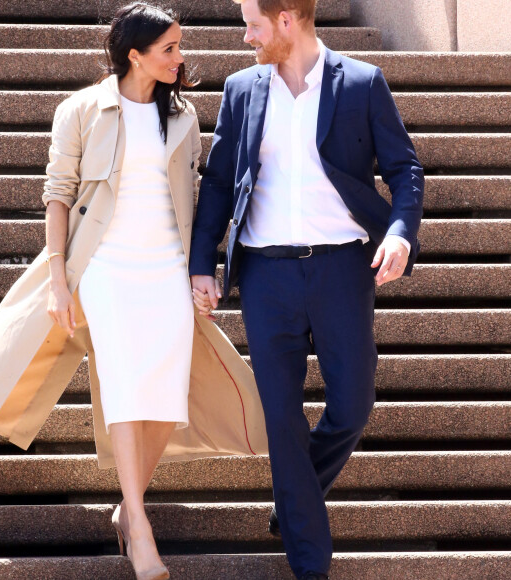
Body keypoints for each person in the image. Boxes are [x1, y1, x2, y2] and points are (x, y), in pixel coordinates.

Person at [0, 4, 268, 580]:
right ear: (133, 54)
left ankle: (127, 506)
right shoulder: (81, 110)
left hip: (165, 266)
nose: (180, 58)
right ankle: (138, 525)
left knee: (163, 394)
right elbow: (58, 194)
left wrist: (197, 269)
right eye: (169, 49)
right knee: (124, 386)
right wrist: (60, 276)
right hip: (105, 266)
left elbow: (192, 200)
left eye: (179, 46)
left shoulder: (183, 115)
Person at [189, 0, 424, 578]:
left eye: (253, 23)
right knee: (282, 416)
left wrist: (399, 233)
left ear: (288, 19)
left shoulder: (362, 82)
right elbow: (219, 181)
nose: (245, 36)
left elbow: (404, 169)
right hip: (267, 275)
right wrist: (202, 263)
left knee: (352, 404)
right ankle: (310, 563)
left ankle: (294, 501)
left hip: (343, 269)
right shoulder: (243, 88)